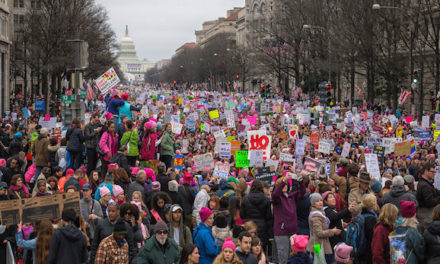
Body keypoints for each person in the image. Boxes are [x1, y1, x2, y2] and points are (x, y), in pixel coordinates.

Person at [271, 173, 305, 264]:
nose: (285, 186)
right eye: (282, 185)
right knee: (283, 257)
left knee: (293, 256)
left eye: (286, 184)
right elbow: (275, 195)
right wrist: (283, 180)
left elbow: (302, 192)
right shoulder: (277, 199)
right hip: (281, 232)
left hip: (293, 231)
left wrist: (300, 180)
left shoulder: (291, 196)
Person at [306, 193, 341, 264]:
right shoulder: (316, 216)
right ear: (313, 203)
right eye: (317, 201)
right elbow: (319, 233)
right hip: (318, 245)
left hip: (320, 243)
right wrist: (332, 231)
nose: (320, 202)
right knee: (320, 261)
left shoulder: (320, 213)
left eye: (321, 200)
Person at [240, 180, 272, 248]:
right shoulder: (266, 199)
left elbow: (242, 215)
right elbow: (269, 216)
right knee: (260, 248)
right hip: (262, 228)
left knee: (248, 247)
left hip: (249, 226)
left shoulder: (245, 199)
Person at [352, 193, 379, 264]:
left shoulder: (360, 215)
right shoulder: (371, 219)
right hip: (367, 253)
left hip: (359, 251)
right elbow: (372, 239)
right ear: (372, 205)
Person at [416, 162, 440, 232]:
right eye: (432, 172)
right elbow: (430, 202)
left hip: (425, 214)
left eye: (435, 172)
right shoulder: (425, 185)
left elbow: (436, 191)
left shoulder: (425, 182)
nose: (434, 174)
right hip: (426, 215)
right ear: (426, 171)